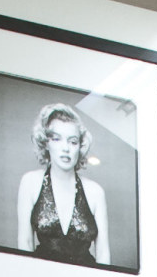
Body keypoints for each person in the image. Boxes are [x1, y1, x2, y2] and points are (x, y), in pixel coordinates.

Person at [16, 102, 109, 264]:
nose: (65, 148)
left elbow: (103, 254)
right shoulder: (30, 183)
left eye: (73, 142)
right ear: (46, 143)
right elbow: (25, 244)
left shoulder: (95, 192)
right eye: (57, 139)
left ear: (80, 146)